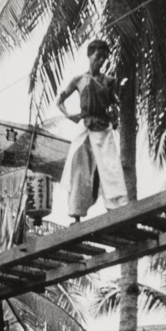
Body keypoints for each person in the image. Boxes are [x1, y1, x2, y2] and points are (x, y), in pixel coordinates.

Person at [57, 40, 128, 221]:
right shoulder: (79, 80)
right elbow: (60, 101)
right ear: (90, 55)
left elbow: (117, 103)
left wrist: (115, 116)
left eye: (104, 58)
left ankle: (117, 209)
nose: (101, 61)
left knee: (109, 166)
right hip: (85, 126)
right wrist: (69, 115)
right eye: (98, 56)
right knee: (79, 168)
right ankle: (76, 215)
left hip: (103, 127)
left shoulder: (108, 81)